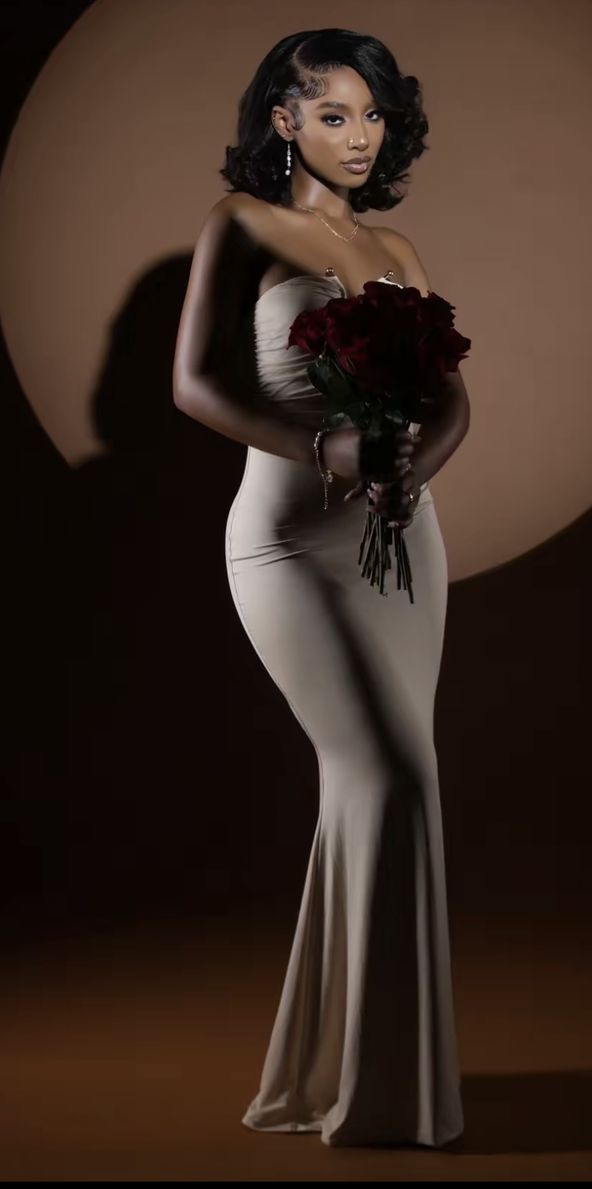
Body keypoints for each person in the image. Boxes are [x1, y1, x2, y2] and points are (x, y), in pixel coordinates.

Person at [172, 28, 470, 1149]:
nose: (360, 135)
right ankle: (375, 1084)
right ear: (282, 120)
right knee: (384, 769)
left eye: (375, 114)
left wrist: (405, 474)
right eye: (334, 113)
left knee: (392, 779)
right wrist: (327, 453)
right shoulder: (240, 226)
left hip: (402, 538)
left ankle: (373, 1076)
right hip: (290, 539)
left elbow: (449, 402)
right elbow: (195, 383)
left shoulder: (393, 242)